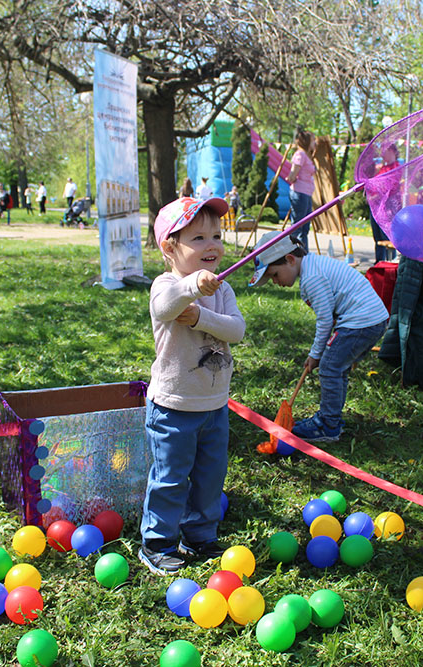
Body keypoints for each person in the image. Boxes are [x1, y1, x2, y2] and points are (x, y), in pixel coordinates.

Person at [138, 195, 245, 575]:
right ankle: (157, 543)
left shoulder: (223, 290)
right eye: (198, 238)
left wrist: (201, 316)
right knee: (170, 478)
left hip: (214, 405)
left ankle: (200, 536)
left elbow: (237, 330)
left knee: (209, 478)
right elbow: (164, 307)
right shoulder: (166, 284)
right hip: (173, 407)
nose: (212, 245)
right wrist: (192, 287)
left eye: (216, 236)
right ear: (170, 248)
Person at [249, 231, 388, 443]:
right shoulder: (313, 266)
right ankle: (331, 419)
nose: (275, 282)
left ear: (290, 259)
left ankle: (328, 425)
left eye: (274, 275)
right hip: (371, 320)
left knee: (329, 368)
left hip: (361, 321)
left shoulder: (312, 278)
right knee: (335, 368)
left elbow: (325, 320)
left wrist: (315, 355)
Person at [285, 130, 317, 251]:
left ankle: (304, 253)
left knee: (305, 227)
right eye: (313, 141)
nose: (314, 143)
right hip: (300, 193)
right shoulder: (300, 155)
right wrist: (292, 178)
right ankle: (292, 251)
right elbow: (293, 173)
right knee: (298, 226)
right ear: (307, 142)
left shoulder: (306, 155)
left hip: (307, 193)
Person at [370, 144, 398, 263]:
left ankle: (389, 262)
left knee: (386, 236)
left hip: (387, 206)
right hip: (375, 206)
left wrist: (376, 196)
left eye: (384, 151)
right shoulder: (382, 168)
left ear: (391, 151)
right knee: (377, 237)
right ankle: (379, 262)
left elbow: (390, 187)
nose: (382, 154)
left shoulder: (396, 168)